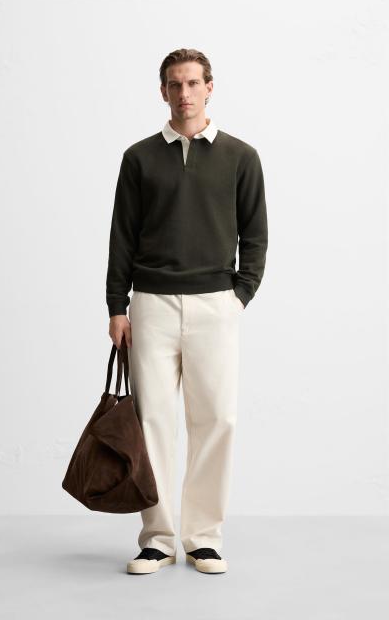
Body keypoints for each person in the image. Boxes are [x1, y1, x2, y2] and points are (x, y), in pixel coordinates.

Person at [106, 48, 268, 575]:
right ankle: (157, 538)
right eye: (175, 84)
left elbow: (256, 235)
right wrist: (117, 306)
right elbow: (122, 237)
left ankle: (203, 538)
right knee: (152, 421)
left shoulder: (241, 157)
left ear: (209, 88)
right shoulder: (139, 158)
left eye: (193, 83)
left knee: (216, 418)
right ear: (163, 91)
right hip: (150, 305)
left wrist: (238, 295)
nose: (184, 93)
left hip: (214, 304)